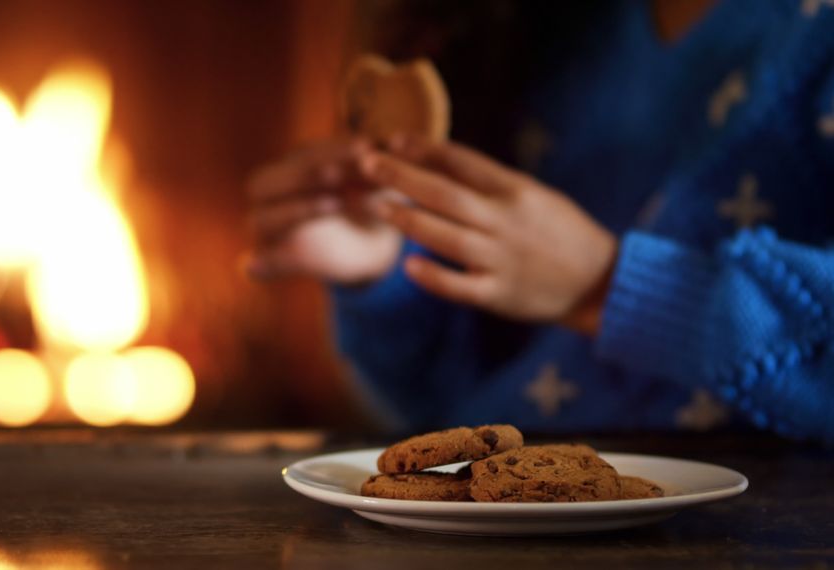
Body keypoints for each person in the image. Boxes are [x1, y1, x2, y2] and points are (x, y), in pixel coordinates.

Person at [245, 0, 834, 441]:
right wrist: (391, 271)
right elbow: (449, 410)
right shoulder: (524, 22)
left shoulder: (808, 36)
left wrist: (607, 286)